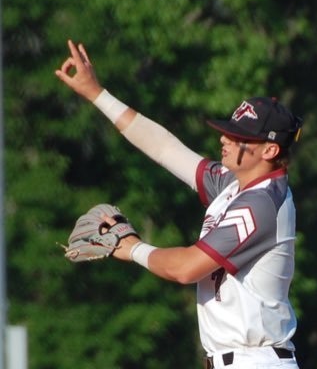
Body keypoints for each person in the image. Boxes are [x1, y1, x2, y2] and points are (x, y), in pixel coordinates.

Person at [55, 39, 303, 369]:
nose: (224, 139)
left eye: (239, 137)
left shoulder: (261, 204)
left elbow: (186, 268)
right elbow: (166, 149)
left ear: (270, 151)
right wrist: (98, 95)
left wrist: (133, 249)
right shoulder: (234, 184)